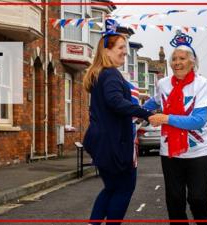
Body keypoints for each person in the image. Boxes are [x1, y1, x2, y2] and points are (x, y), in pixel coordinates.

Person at [82, 19, 154, 225]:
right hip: (114, 144)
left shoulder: (99, 74)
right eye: (121, 47)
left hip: (101, 143)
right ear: (107, 51)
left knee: (111, 188)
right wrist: (146, 113)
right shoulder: (111, 74)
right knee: (124, 188)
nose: (125, 52)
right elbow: (115, 102)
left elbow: (111, 106)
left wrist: (138, 113)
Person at [143, 31, 207, 224]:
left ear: (192, 62)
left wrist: (166, 118)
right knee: (174, 202)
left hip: (198, 153)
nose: (176, 62)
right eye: (173, 59)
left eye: (182, 58)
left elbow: (198, 120)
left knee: (197, 199)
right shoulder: (163, 84)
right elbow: (153, 102)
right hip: (170, 153)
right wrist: (133, 112)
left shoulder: (202, 84)